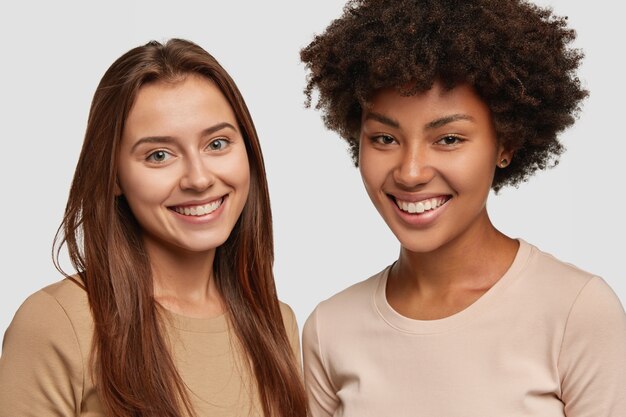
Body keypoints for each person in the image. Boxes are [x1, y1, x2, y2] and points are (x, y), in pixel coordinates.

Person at [299, 1, 626, 416]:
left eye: (449, 139)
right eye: (384, 138)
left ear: (505, 143)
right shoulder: (330, 330)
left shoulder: (575, 312)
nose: (411, 172)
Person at [0, 39, 306, 417]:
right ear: (113, 176)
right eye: (159, 155)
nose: (198, 178)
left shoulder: (276, 322)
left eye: (217, 143)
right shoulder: (59, 322)